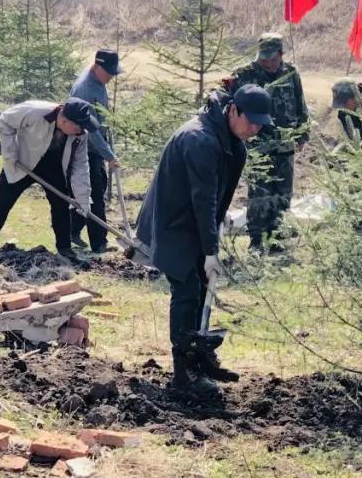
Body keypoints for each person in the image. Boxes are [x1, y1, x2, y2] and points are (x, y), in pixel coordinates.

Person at [134, 84, 272, 392]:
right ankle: (184, 374)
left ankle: (198, 360)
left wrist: (213, 233)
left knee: (200, 287)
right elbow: (203, 198)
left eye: (260, 124)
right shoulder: (200, 139)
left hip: (196, 222)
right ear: (233, 110)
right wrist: (210, 250)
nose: (254, 128)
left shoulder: (231, 140)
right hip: (173, 222)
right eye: (250, 121)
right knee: (188, 288)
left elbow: (215, 195)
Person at [0, 97, 98, 264]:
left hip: (54, 166)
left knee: (61, 205)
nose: (81, 130)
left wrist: (83, 199)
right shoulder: (35, 111)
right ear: (64, 120)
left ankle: (64, 249)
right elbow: (5, 121)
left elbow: (80, 166)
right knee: (3, 202)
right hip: (22, 161)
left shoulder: (80, 135)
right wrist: (10, 155)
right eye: (79, 126)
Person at [226, 32, 309, 252]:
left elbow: (301, 105)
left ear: (281, 54)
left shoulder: (291, 73)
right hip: (256, 147)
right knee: (259, 194)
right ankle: (256, 241)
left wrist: (302, 134)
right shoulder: (244, 74)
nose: (269, 63)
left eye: (273, 59)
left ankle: (277, 240)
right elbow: (230, 108)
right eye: (264, 59)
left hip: (285, 145)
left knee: (283, 194)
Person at [70, 49, 121, 254]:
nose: (111, 77)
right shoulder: (85, 89)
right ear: (96, 67)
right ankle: (99, 243)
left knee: (98, 184)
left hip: (96, 145)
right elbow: (91, 130)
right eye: (108, 72)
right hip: (84, 146)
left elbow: (100, 118)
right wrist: (109, 155)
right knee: (96, 192)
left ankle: (72, 229)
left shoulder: (99, 82)